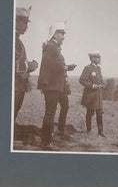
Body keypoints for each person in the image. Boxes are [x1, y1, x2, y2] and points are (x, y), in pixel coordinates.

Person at [37, 22, 74, 150]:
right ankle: (46, 143)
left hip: (55, 85)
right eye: (62, 34)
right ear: (55, 34)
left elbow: (54, 64)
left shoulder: (54, 47)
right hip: (52, 86)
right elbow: (50, 64)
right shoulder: (51, 47)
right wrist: (64, 67)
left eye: (64, 34)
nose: (64, 37)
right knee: (50, 113)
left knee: (51, 112)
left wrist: (67, 67)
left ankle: (48, 139)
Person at [14, 7, 38, 124]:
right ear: (15, 21)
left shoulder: (18, 40)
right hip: (14, 87)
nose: (26, 26)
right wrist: (29, 66)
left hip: (19, 86)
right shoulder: (13, 39)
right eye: (24, 23)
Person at [79, 50, 106, 137]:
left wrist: (103, 84)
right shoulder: (88, 68)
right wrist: (92, 86)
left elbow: (100, 79)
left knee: (99, 113)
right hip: (90, 95)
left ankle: (100, 131)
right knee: (90, 113)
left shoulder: (98, 68)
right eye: (98, 58)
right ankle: (89, 131)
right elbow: (82, 80)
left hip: (98, 95)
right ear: (93, 59)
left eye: (99, 57)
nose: (99, 59)